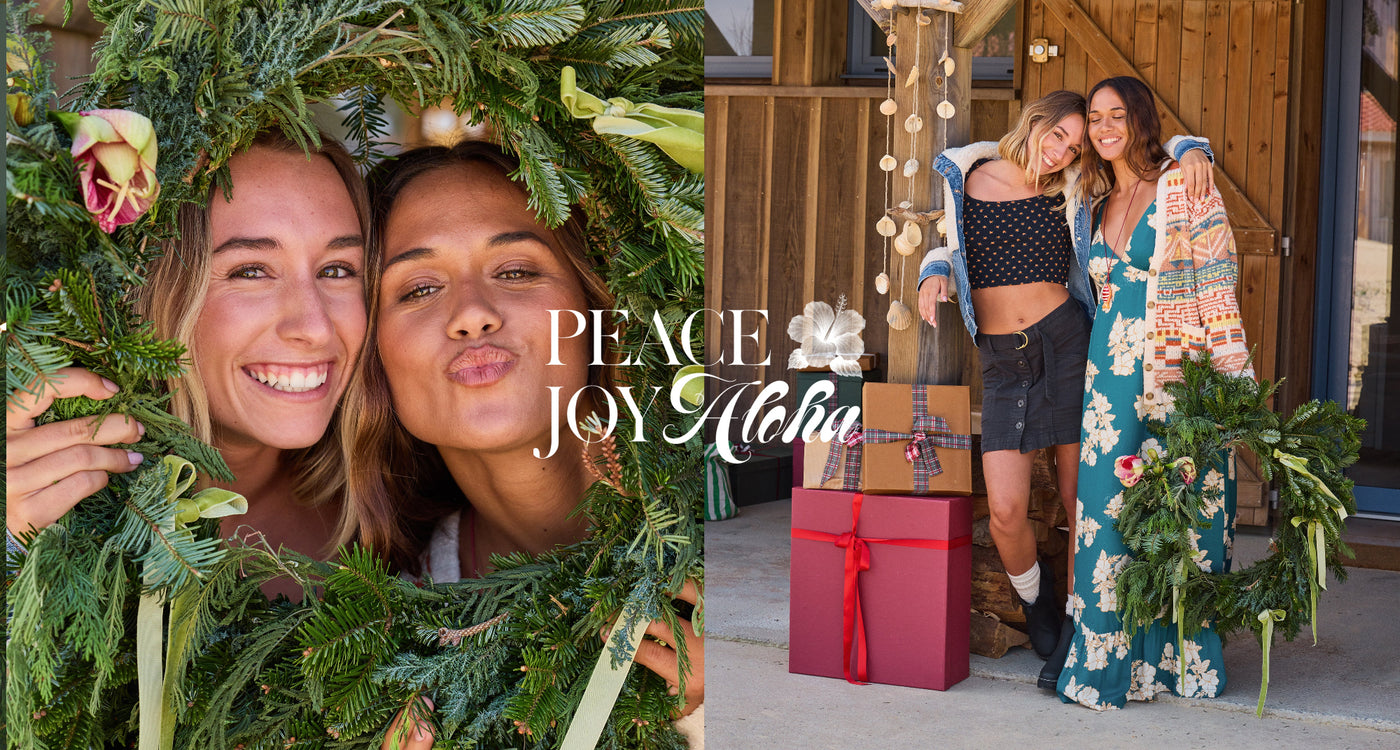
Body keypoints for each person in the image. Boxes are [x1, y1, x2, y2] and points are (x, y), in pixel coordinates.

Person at [341, 142, 703, 747]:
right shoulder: (382, 629)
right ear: (373, 352)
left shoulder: (722, 516)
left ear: (592, 305)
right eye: (419, 288)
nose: (473, 314)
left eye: (515, 271)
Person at [915, 90, 1213, 690]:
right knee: (1004, 510)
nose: (1061, 152)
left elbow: (1141, 155)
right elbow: (952, 243)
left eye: (1074, 145)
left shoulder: (1076, 188)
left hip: (1067, 344)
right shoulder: (966, 173)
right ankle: (1039, 610)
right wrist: (935, 268)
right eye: (1058, 136)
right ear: (1035, 122)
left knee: (1084, 504)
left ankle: (1078, 630)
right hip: (1002, 362)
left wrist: (1190, 146)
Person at [5, 132, 372, 600]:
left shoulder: (402, 519)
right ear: (155, 292)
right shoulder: (33, 496)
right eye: (251, 271)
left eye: (337, 270)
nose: (316, 327)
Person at [1056, 76, 1252, 711]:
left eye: (1118, 114)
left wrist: (1232, 385)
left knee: (1182, 516)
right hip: (1108, 383)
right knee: (1104, 516)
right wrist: (939, 263)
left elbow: (1220, 282)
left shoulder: (1185, 183)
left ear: (1142, 121)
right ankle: (1107, 667)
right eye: (1095, 116)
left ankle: (1176, 664)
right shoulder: (1089, 198)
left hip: (1176, 373)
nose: (1105, 126)